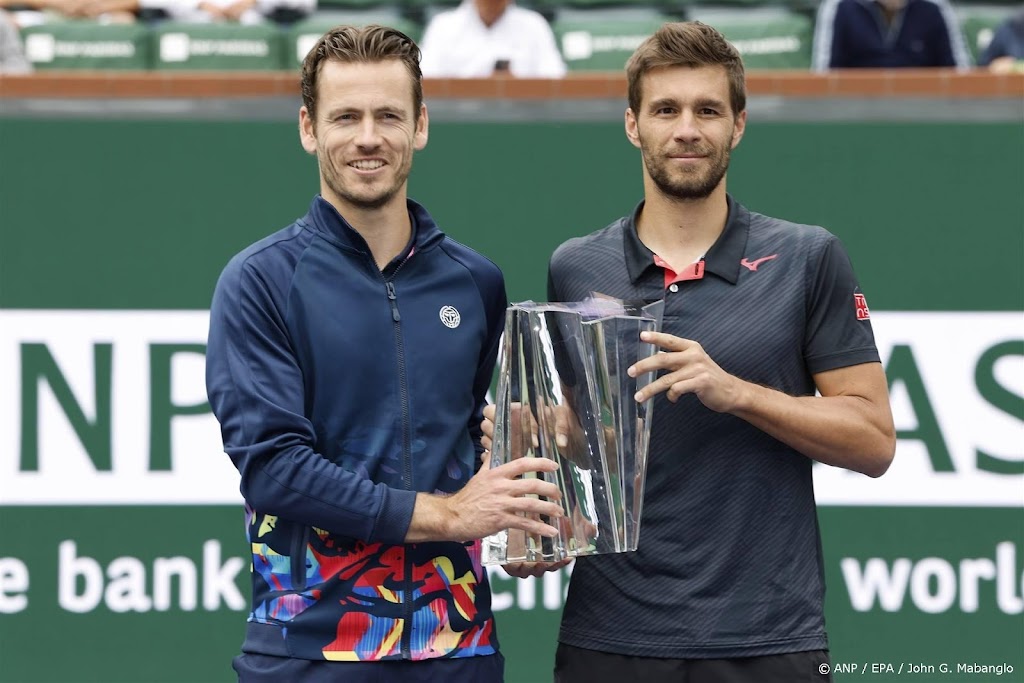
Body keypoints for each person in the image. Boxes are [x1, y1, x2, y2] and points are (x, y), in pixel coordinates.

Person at [482, 21, 896, 683]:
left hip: (766, 637)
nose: (686, 129)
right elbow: (593, 441)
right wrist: (541, 442)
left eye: (708, 110)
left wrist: (734, 391)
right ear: (632, 125)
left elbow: (874, 440)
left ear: (738, 125)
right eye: (665, 110)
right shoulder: (575, 267)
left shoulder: (808, 257)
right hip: (610, 635)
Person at [205, 24, 563, 683]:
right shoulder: (259, 281)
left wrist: (523, 528)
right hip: (310, 651)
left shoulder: (475, 281)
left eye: (388, 115)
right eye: (346, 116)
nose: (368, 137)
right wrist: (451, 514)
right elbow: (275, 469)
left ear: (421, 125)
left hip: (460, 650)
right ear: (309, 129)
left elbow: (482, 449)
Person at [419, 0, 566, 78]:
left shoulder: (534, 25)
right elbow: (425, 80)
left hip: (522, 118)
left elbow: (555, 79)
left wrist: (514, 86)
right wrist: (480, 86)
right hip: (458, 120)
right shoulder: (443, 25)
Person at [812, 0, 971, 70]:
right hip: (856, 113)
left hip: (923, 111)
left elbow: (960, 75)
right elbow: (824, 76)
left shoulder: (935, 7)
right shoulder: (839, 7)